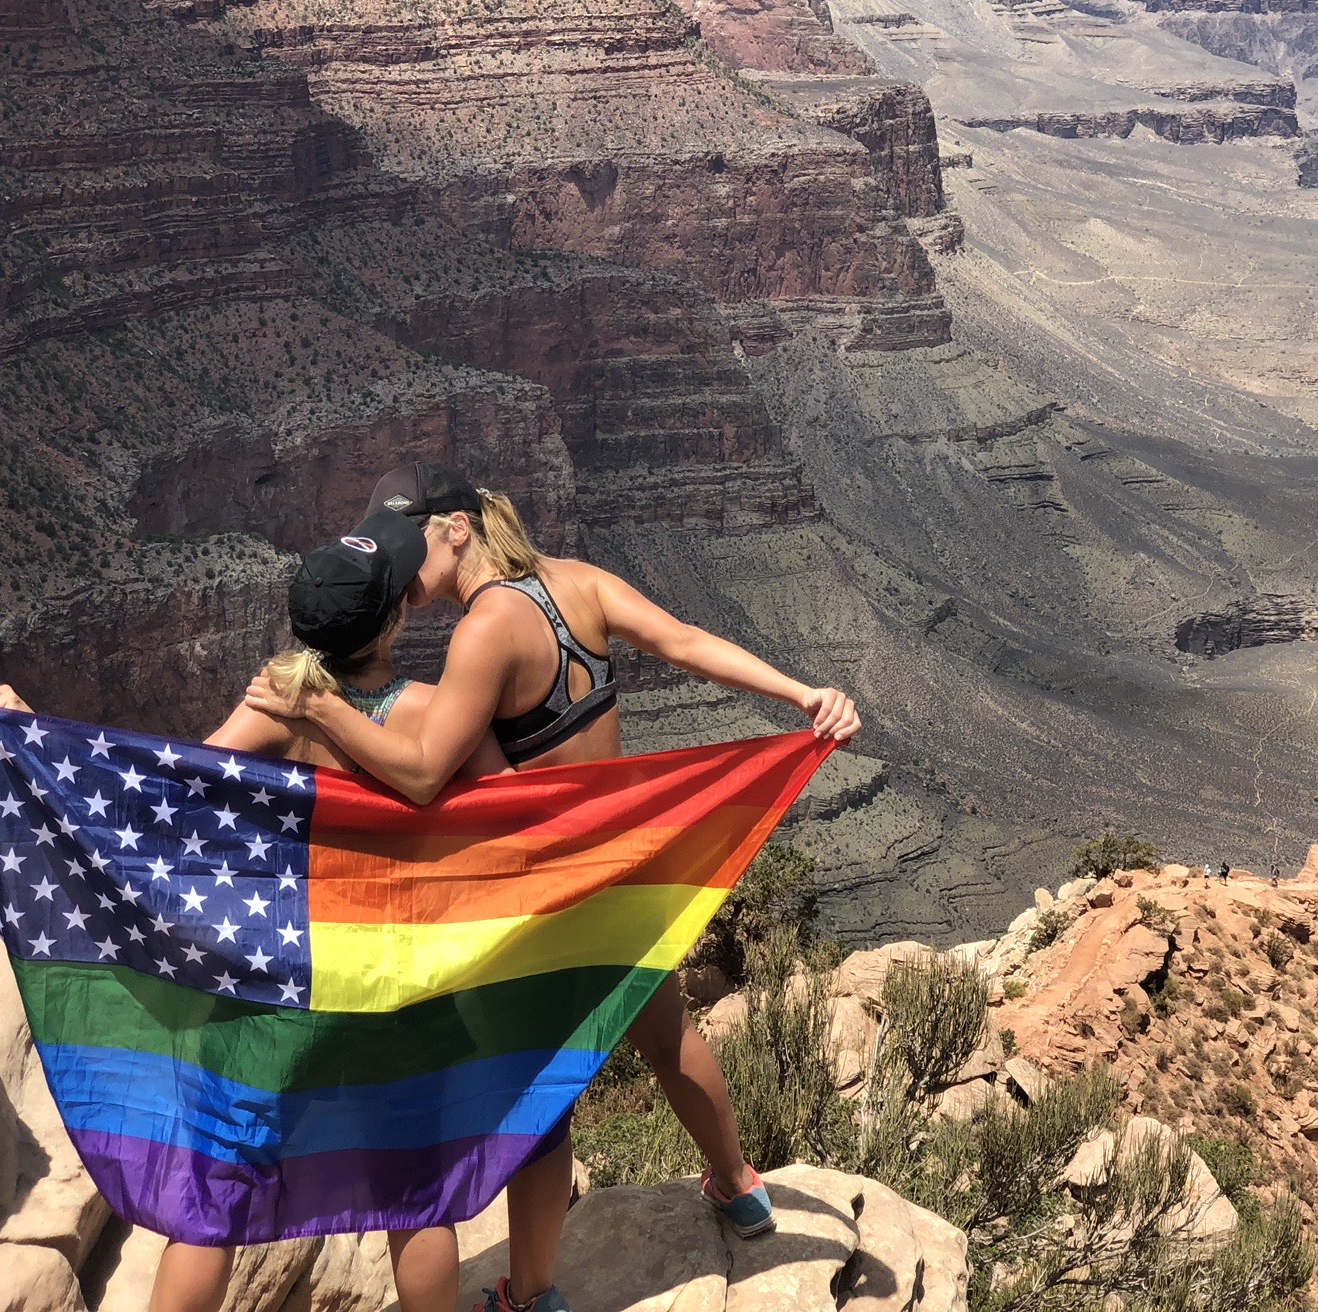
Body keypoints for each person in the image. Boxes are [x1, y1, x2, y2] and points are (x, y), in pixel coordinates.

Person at [244, 462, 863, 1258]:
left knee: (537, 1097)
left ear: (457, 529)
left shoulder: (482, 634)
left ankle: (532, 1292)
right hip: (618, 857)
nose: (399, 570)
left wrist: (324, 706)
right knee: (668, 1035)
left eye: (409, 546)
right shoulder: (576, 583)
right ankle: (738, 1185)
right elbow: (685, 643)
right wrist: (800, 692)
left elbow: (427, 772)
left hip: (552, 884)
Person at [0, 509, 541, 1312]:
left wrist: (26, 728)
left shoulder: (275, 707)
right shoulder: (431, 715)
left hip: (276, 980)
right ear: (398, 618)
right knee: (418, 1195)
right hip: (393, 978)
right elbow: (522, 816)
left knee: (212, 1204)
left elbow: (156, 793)